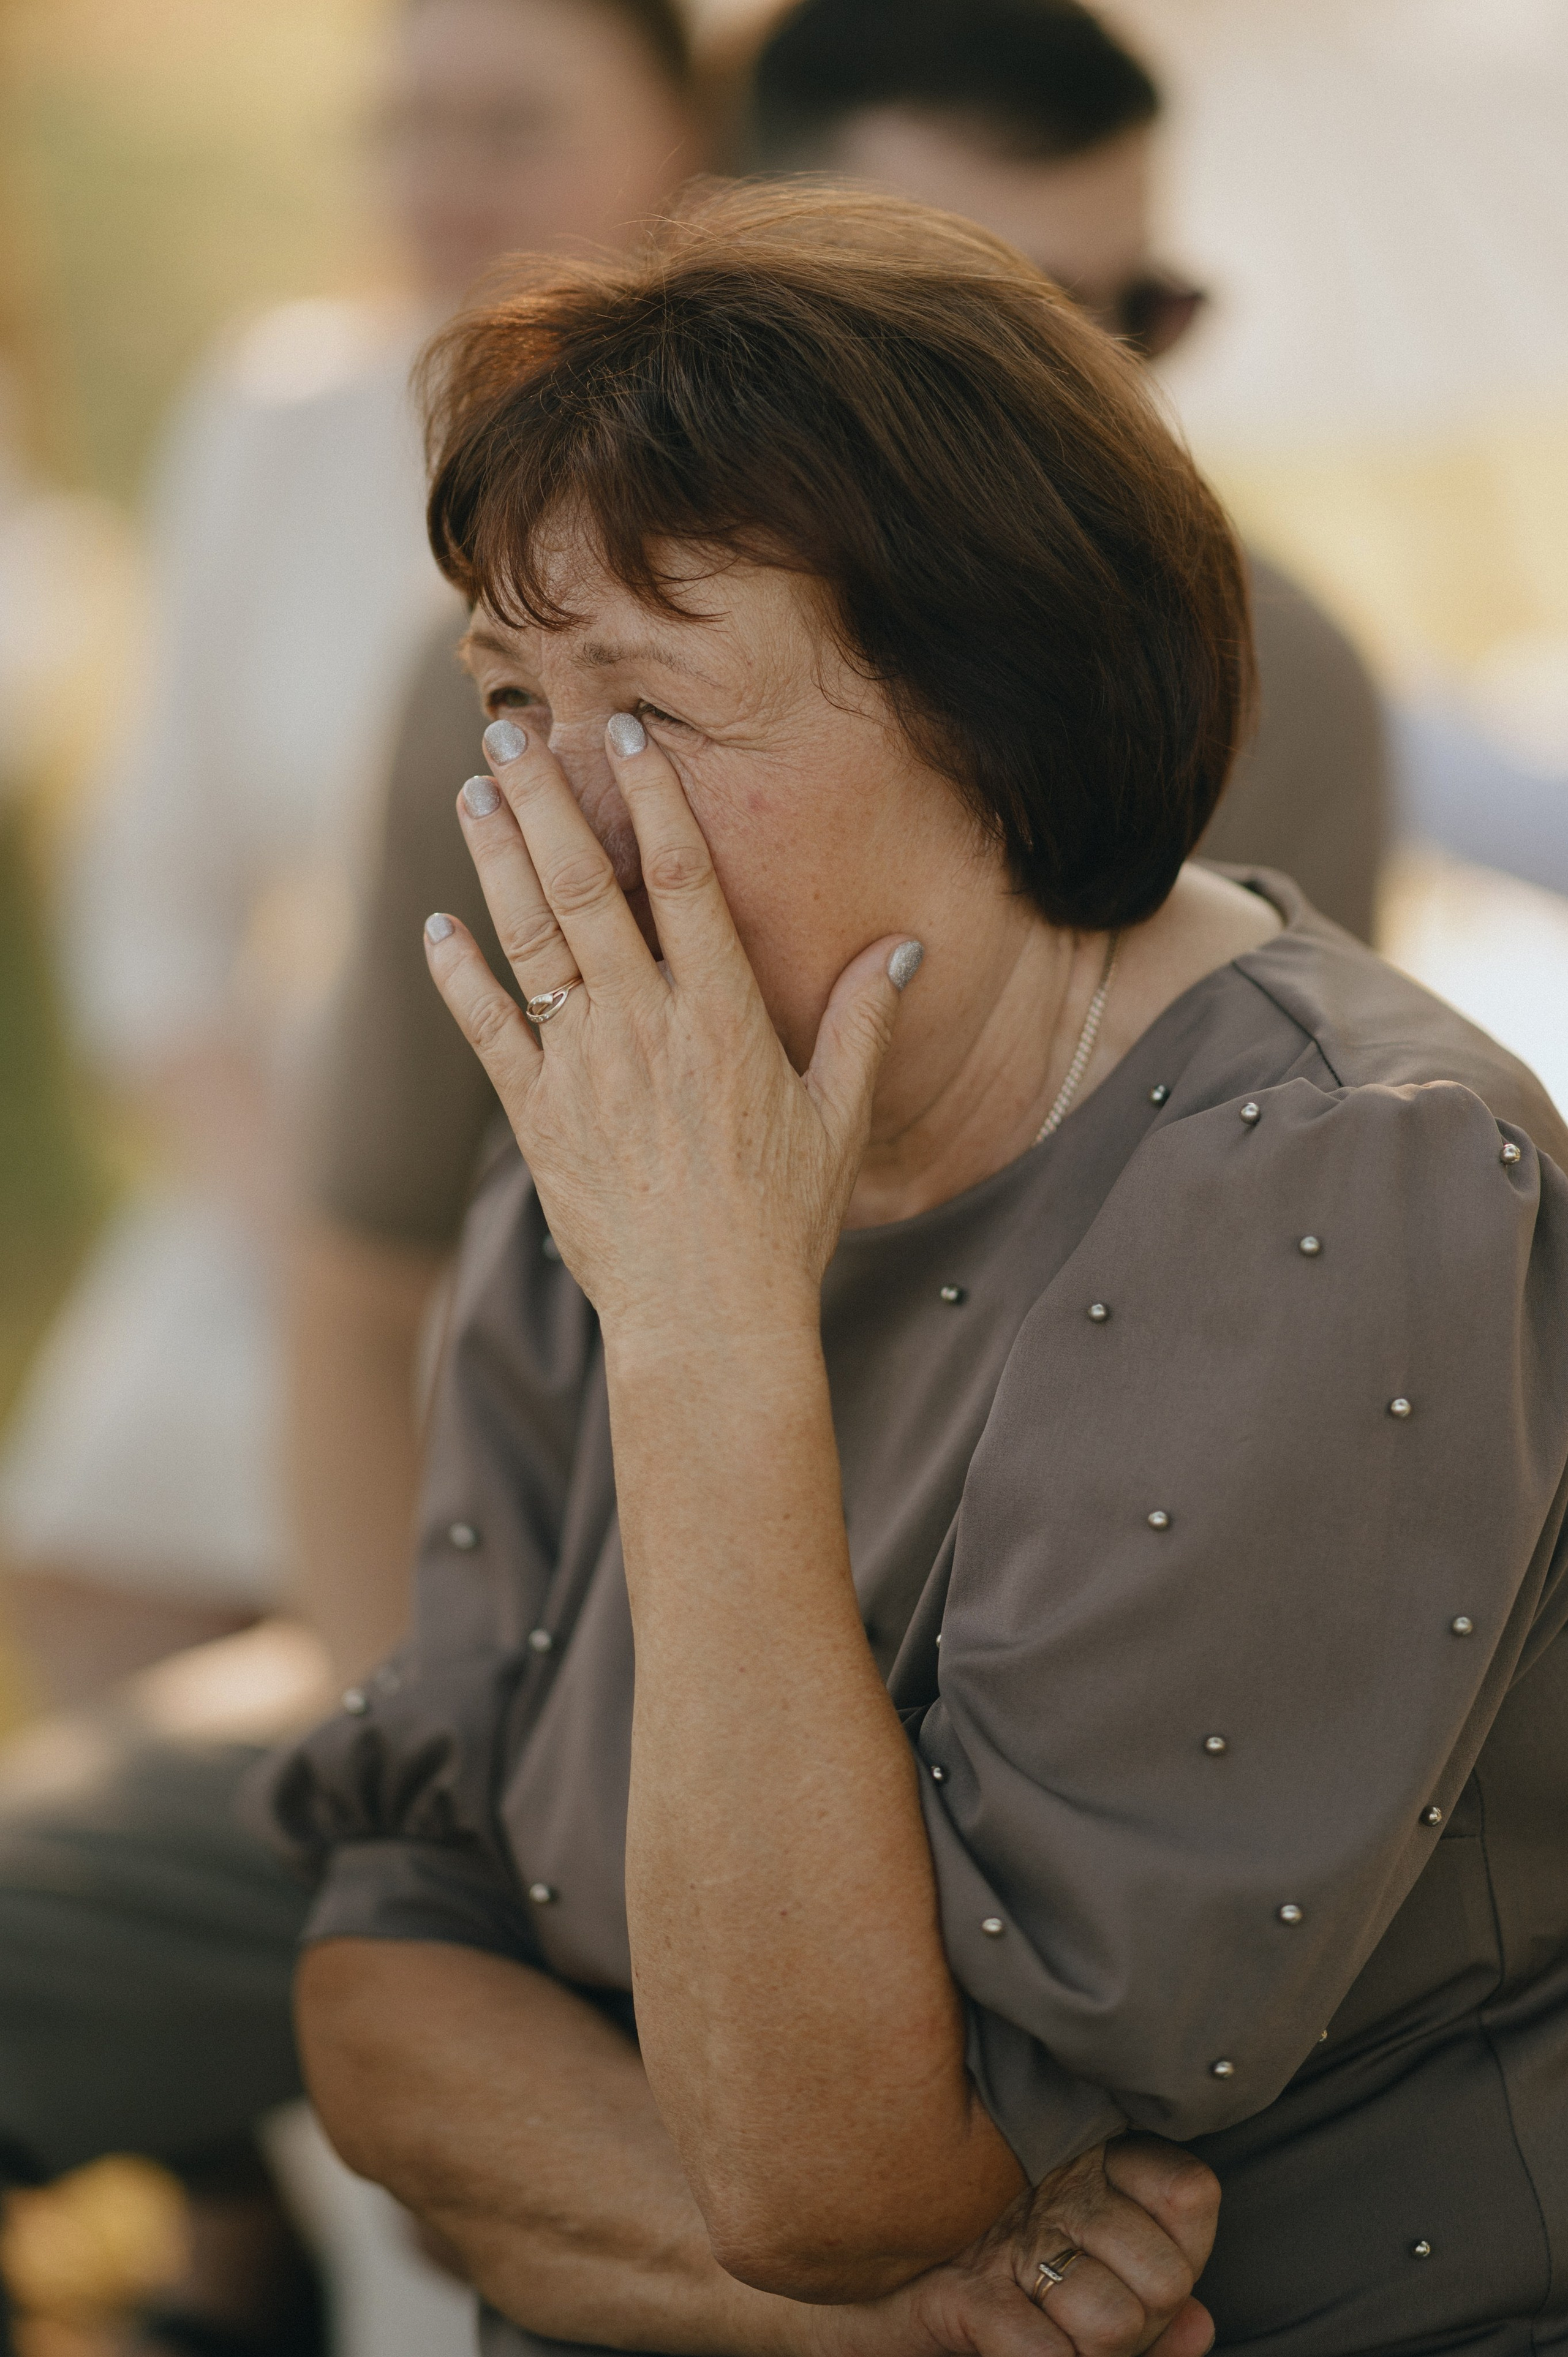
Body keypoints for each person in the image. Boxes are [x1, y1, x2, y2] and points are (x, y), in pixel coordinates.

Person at [272, 183, 1568, 2355]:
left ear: (994, 720)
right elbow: (384, 1984)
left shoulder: (1342, 1181)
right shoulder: (628, 1114)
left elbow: (840, 2170)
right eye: (508, 699)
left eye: (647, 713)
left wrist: (705, 1332)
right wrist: (878, 2324)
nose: (544, 815)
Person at [295, 0, 1390, 1693]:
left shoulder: (1284, 687)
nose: (1081, 392)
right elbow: (367, 1289)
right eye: (978, 321)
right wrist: (390, 1744)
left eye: (1134, 315)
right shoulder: (519, 691)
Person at [0, 3, 698, 2348]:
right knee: (92, 1540)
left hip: (580, 1165)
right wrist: (267, 1181)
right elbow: (153, 875)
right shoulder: (284, 411)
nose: (444, 174)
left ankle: (410, 2159)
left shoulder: (735, 436)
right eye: (407, 120)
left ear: (680, 133)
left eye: (516, 121)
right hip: (298, 1146)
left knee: (380, 1597)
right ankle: (243, 2198)